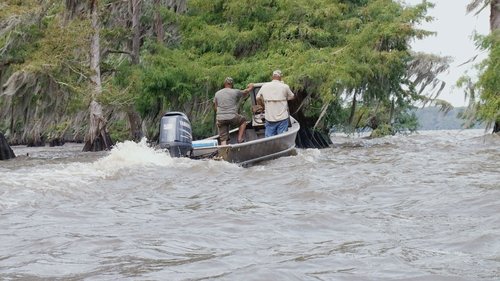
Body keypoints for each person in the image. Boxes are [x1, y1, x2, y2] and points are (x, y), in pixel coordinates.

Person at [214, 77, 253, 145]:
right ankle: (240, 139)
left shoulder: (217, 93)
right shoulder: (235, 91)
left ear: (224, 84)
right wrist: (250, 87)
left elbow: (215, 107)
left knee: (223, 138)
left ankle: (224, 152)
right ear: (232, 84)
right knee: (243, 121)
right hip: (231, 116)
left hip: (220, 118)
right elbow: (245, 92)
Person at [256, 70, 295, 137]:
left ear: (272, 77)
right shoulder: (284, 86)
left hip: (269, 118)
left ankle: (270, 146)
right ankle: (282, 147)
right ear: (280, 77)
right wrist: (284, 99)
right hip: (282, 118)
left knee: (269, 138)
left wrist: (263, 106)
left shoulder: (265, 86)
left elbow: (258, 98)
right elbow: (292, 96)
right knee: (282, 137)